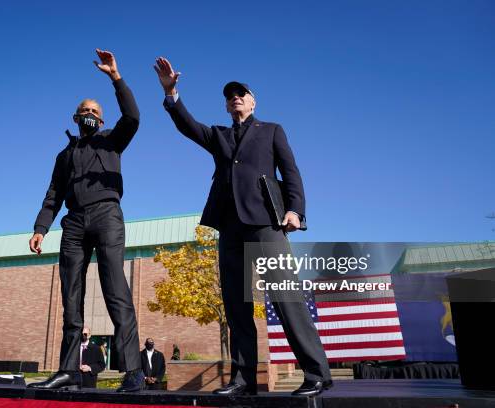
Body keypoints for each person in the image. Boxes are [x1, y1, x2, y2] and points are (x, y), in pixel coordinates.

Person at [154, 57, 333, 397]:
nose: (235, 97)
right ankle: (243, 380)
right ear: (226, 105)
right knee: (237, 305)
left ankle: (317, 373)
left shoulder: (272, 131)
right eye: (230, 95)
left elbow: (291, 172)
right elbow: (187, 125)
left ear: (253, 101)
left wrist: (296, 210)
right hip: (230, 227)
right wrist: (171, 92)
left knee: (286, 298)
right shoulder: (218, 135)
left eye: (241, 94)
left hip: (266, 224)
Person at [28, 49, 144, 392]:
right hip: (74, 223)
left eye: (96, 111)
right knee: (71, 296)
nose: (90, 115)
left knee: (116, 291)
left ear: (102, 119)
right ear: (76, 117)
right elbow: (53, 194)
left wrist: (115, 78)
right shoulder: (64, 155)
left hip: (107, 215)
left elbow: (134, 117)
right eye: (85, 111)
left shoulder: (112, 141)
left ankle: (133, 372)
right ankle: (68, 370)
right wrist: (39, 228)